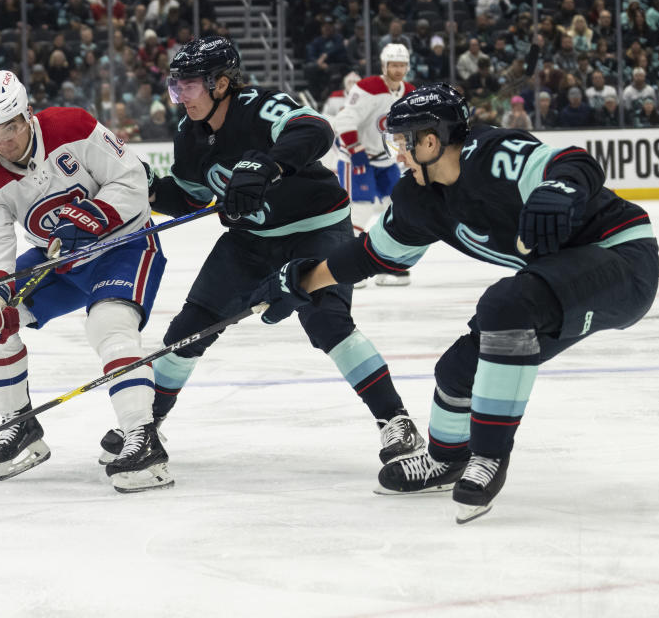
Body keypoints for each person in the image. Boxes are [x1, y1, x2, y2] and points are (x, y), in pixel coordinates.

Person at [253, 83, 659, 523]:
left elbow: (575, 162)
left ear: (430, 141)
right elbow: (369, 255)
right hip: (559, 279)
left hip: (621, 259)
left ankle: (488, 457)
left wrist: (557, 188)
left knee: (505, 306)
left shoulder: (493, 155)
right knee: (456, 369)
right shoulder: (419, 199)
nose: (397, 155)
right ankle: (447, 460)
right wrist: (303, 282)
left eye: (401, 143)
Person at [96, 36, 426, 470]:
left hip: (317, 228)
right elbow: (193, 196)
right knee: (190, 327)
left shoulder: (259, 106)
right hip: (250, 241)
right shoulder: (188, 135)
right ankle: (147, 426)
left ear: (221, 84)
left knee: (328, 320)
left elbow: (314, 130)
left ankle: (396, 420)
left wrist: (266, 165)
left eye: (190, 86)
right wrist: (149, 187)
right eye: (177, 87)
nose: (181, 97)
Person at [0, 70, 171, 493]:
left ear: (27, 115)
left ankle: (142, 438)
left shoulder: (72, 127)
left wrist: (95, 216)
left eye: (10, 126)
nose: (4, 141)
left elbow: (132, 179)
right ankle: (19, 424)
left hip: (125, 244)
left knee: (109, 325)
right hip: (59, 262)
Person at [332, 43, 414, 286]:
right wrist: (356, 152)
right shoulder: (367, 88)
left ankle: (393, 264)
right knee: (360, 209)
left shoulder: (409, 91)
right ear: (384, 65)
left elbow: (408, 128)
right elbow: (345, 120)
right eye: (394, 65)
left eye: (402, 65)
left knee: (398, 206)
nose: (398, 70)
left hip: (386, 157)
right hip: (356, 155)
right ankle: (349, 267)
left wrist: (405, 155)